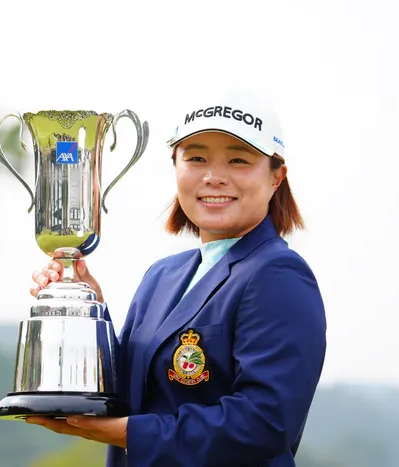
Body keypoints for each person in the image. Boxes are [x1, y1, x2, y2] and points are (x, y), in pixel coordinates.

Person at [25, 90, 328, 467]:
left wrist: (127, 433)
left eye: (238, 160)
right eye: (196, 158)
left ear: (275, 178)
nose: (214, 177)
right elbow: (134, 388)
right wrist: (88, 311)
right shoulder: (162, 275)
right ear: (175, 167)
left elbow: (263, 422)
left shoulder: (278, 275)